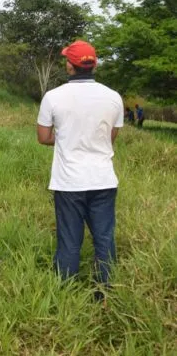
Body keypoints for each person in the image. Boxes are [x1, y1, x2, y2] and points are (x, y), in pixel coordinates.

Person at [37, 40, 123, 299]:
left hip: (69, 182)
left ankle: (65, 293)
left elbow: (43, 137)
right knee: (104, 239)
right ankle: (104, 294)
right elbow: (110, 138)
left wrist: (65, 139)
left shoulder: (53, 97)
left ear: (69, 65)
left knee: (70, 241)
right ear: (94, 64)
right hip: (103, 179)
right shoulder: (113, 97)